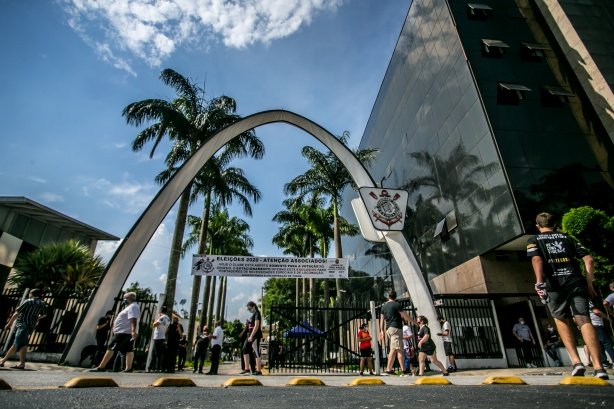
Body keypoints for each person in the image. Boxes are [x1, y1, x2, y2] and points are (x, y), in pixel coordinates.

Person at [527, 212, 608, 379]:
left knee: (560, 318)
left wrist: (539, 282)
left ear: (538, 226)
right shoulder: (567, 238)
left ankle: (577, 362)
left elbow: (537, 260)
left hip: (554, 286)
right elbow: (589, 260)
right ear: (555, 224)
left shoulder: (534, 240)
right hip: (575, 282)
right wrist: (589, 281)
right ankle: (599, 367)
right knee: (584, 319)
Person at [90, 291, 140, 373]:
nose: (124, 300)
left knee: (111, 347)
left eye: (125, 298)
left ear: (130, 298)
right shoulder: (132, 306)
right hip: (125, 332)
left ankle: (101, 367)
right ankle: (128, 368)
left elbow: (133, 319)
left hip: (123, 332)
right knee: (129, 350)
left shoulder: (133, 307)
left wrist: (133, 331)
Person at [0, 289, 47, 369]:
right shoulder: (42, 303)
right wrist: (36, 318)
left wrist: (9, 324)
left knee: (16, 344)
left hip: (23, 325)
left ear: (31, 294)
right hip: (31, 326)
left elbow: (17, 313)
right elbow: (44, 315)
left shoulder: (28, 301)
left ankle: (3, 361)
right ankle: (22, 364)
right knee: (23, 345)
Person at [378, 290, 412, 375]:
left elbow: (382, 320)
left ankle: (403, 369)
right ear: (396, 297)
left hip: (389, 329)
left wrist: (381, 330)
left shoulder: (384, 306)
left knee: (399, 349)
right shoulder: (397, 305)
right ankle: (389, 369)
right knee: (394, 349)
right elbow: (405, 316)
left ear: (388, 297)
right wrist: (415, 322)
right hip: (396, 328)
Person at [589, 297, 614, 369]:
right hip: (596, 324)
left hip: (591, 326)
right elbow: (596, 311)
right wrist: (607, 317)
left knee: (599, 344)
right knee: (607, 343)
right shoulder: (587, 300)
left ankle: (604, 362)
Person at [241, 301, 263, 375]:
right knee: (245, 349)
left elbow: (256, 325)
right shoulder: (253, 314)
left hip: (255, 336)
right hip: (250, 336)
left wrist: (251, 336)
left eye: (250, 308)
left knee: (256, 352)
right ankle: (247, 368)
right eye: (248, 309)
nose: (249, 310)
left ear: (254, 306)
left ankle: (259, 370)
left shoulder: (257, 313)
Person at [151, 305, 170, 372]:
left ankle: (156, 368)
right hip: (162, 337)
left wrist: (154, 320)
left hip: (158, 337)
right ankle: (153, 367)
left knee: (156, 353)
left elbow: (154, 325)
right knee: (156, 353)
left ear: (161, 310)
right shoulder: (168, 318)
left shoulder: (161, 317)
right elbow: (167, 329)